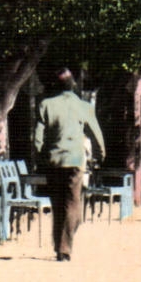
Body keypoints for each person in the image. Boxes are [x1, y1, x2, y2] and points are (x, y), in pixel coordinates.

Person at [34, 66, 104, 261]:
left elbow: (38, 138)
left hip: (53, 162)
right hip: (75, 161)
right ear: (73, 85)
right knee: (73, 204)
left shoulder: (45, 105)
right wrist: (101, 154)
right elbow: (96, 133)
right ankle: (64, 248)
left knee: (57, 204)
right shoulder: (83, 106)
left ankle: (60, 246)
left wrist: (41, 157)